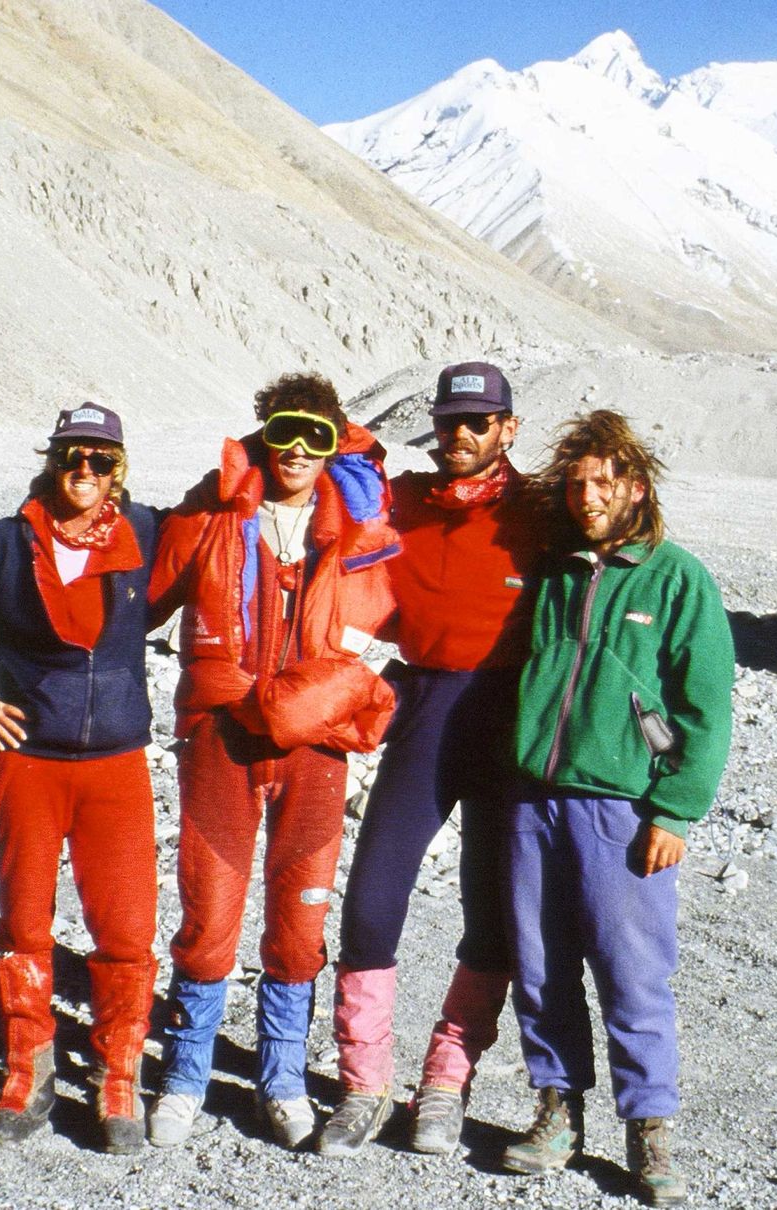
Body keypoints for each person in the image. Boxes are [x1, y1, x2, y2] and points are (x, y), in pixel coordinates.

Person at [146, 373, 400, 1149]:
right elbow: (138, 602)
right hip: (223, 737)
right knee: (209, 911)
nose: (296, 450)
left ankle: (282, 1078)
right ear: (263, 431)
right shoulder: (213, 514)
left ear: (334, 444)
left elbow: (417, 614)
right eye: (284, 430)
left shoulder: (360, 530)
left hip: (315, 746)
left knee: (299, 920)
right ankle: (185, 1074)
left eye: (315, 436)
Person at [0, 404, 159, 1154]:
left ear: (118, 469)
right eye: (73, 456)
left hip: (116, 766)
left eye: (101, 459)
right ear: (53, 461)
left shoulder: (145, 533)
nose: (86, 471)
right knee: (25, 921)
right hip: (30, 764)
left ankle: (117, 1073)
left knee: (126, 926)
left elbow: (229, 504)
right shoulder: (3, 546)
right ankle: (28, 1065)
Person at [499, 410, 734, 1206]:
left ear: (636, 486)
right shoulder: (557, 570)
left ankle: (649, 1128)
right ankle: (557, 1110)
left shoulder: (677, 579)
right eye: (577, 484)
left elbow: (705, 707)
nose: (588, 497)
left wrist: (675, 810)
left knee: (633, 971)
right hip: (535, 800)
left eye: (603, 482)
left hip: (622, 807)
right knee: (540, 964)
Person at [319, 362, 542, 1157]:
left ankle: (446, 1082)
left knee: (493, 910)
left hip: (511, 719)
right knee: (372, 900)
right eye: (451, 421)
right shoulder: (403, 500)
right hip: (424, 710)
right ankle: (363, 1084)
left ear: (508, 428)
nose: (462, 435)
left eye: (479, 421)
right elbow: (318, 451)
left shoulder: (541, 511)